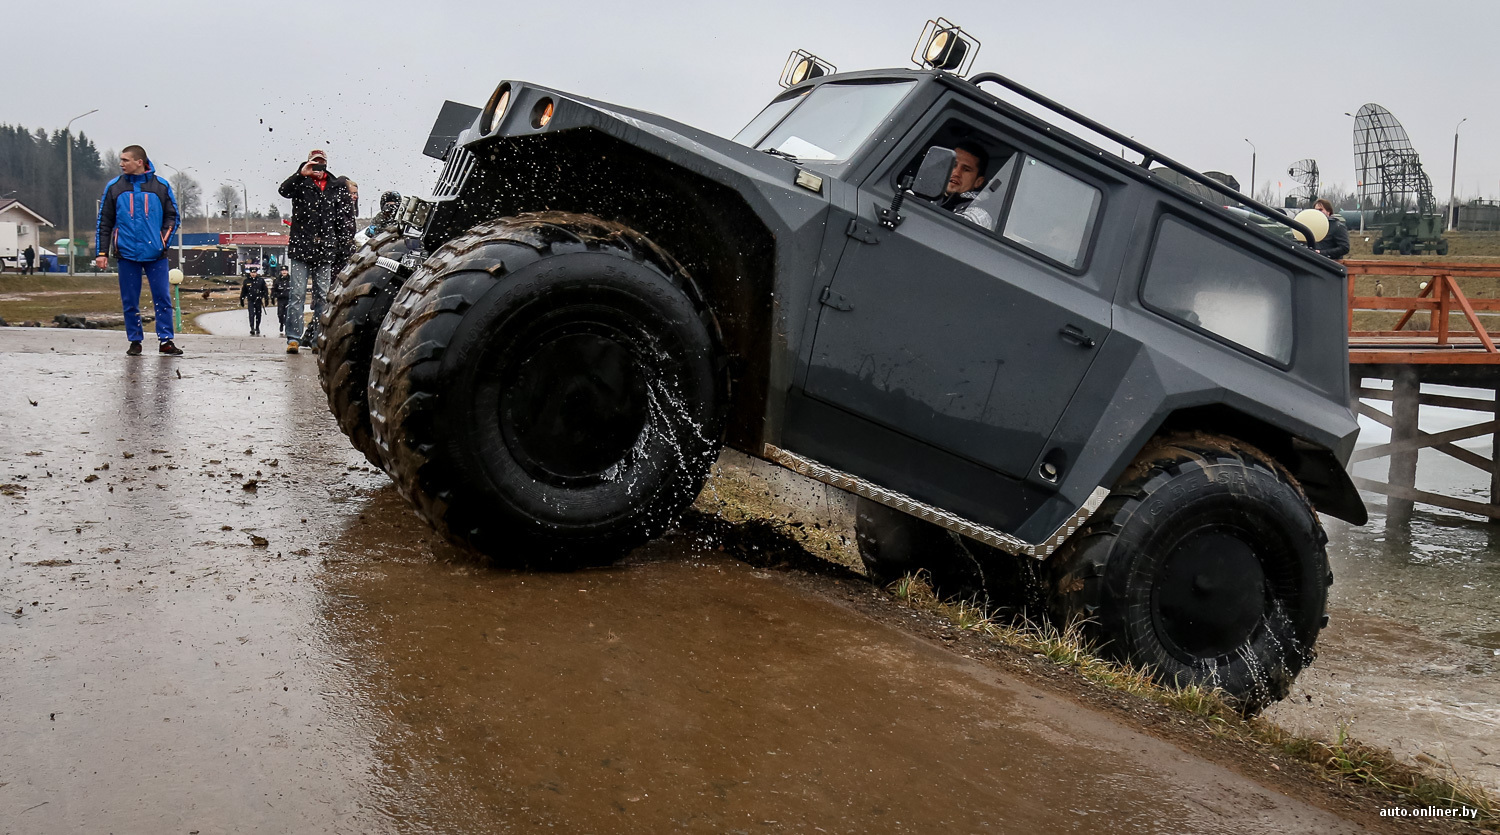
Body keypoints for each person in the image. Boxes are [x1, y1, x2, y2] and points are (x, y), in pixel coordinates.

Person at [95, 145, 183, 356]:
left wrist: (162, 241)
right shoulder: (114, 187)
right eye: (121, 160)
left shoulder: (161, 186)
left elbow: (173, 216)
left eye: (125, 160)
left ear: (139, 162)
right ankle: (135, 341)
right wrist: (102, 252)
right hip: (126, 254)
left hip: (156, 255)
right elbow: (104, 221)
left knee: (162, 298)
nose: (121, 163)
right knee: (129, 300)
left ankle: (166, 341)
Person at [278, 149, 354, 354]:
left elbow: (343, 216)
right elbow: (283, 191)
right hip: (301, 246)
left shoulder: (336, 185)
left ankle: (318, 339)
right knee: (297, 294)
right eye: (314, 163)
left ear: (326, 164)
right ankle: (293, 338)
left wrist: (342, 243)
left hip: (326, 248)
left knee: (322, 295)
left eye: (321, 164)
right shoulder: (300, 183)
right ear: (308, 163)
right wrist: (301, 173)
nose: (318, 168)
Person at [936, 142, 992, 228]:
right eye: (954, 165)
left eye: (966, 169)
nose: (956, 173)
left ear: (978, 182)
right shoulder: (927, 193)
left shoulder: (979, 214)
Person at [239, 265, 269, 336]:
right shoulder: (246, 281)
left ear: (256, 273)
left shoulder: (261, 280)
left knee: (258, 315)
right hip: (251, 300)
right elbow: (243, 291)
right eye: (252, 272)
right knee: (251, 314)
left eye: (254, 272)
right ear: (250, 273)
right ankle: (252, 328)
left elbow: (265, 290)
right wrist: (242, 299)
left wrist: (266, 299)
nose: (253, 274)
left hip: (258, 300)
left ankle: (257, 327)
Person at [271, 264, 291, 335]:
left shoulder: (291, 280)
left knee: (287, 314)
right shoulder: (277, 280)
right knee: (280, 314)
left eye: (285, 270)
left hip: (288, 299)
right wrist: (272, 297)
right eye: (283, 271)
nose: (284, 272)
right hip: (280, 299)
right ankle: (281, 323)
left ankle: (286, 327)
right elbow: (274, 289)